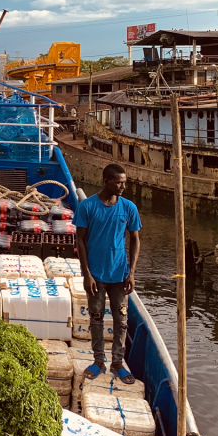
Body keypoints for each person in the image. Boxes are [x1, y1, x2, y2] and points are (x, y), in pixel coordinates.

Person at [75, 163, 142, 384]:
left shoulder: (129, 207)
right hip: (96, 274)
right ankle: (98, 361)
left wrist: (131, 272)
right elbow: (80, 241)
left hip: (120, 275)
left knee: (121, 320)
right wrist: (86, 273)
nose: (123, 186)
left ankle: (117, 363)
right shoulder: (87, 207)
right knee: (96, 318)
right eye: (119, 182)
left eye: (125, 181)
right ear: (106, 181)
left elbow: (135, 240)